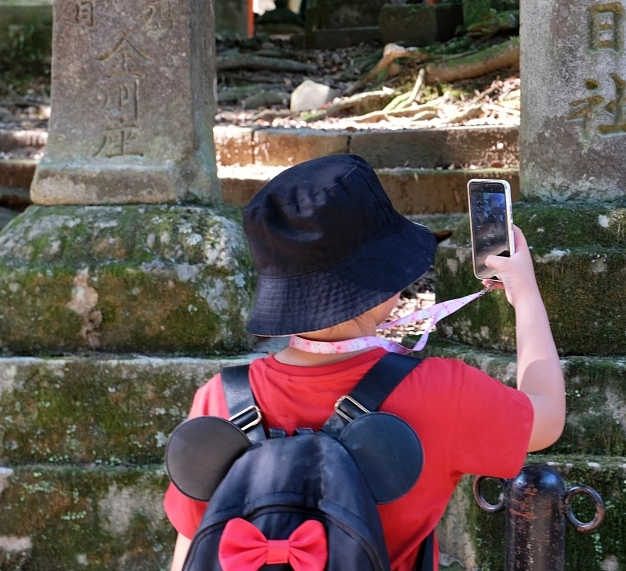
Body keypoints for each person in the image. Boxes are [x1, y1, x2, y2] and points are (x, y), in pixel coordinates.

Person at [163, 154, 565, 571]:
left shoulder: (219, 400)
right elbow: (547, 417)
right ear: (384, 280)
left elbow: (192, 550)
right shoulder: (441, 391)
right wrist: (527, 296)